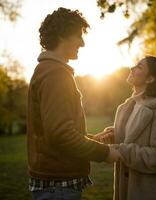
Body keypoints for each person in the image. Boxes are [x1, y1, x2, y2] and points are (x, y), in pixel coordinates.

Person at [26, 7, 120, 200]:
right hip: (58, 188)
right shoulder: (55, 74)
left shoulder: (48, 70)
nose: (82, 43)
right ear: (62, 35)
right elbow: (60, 134)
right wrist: (104, 153)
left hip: (54, 185)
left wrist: (93, 139)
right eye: (78, 36)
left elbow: (55, 131)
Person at [98, 56, 156, 200]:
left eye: (139, 67)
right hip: (126, 190)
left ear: (150, 79)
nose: (132, 68)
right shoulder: (127, 107)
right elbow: (131, 137)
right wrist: (114, 135)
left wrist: (121, 150)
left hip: (150, 192)